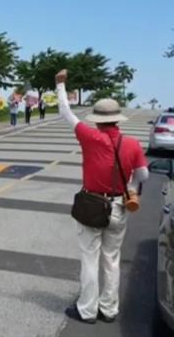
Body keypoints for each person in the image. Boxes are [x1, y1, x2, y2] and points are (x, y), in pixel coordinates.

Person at [56, 69, 149, 324]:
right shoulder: (132, 144)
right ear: (118, 120)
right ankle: (109, 309)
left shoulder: (89, 136)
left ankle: (87, 310)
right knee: (111, 259)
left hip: (93, 205)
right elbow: (143, 175)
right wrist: (129, 185)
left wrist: (60, 84)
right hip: (119, 206)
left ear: (97, 120)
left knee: (89, 258)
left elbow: (66, 112)